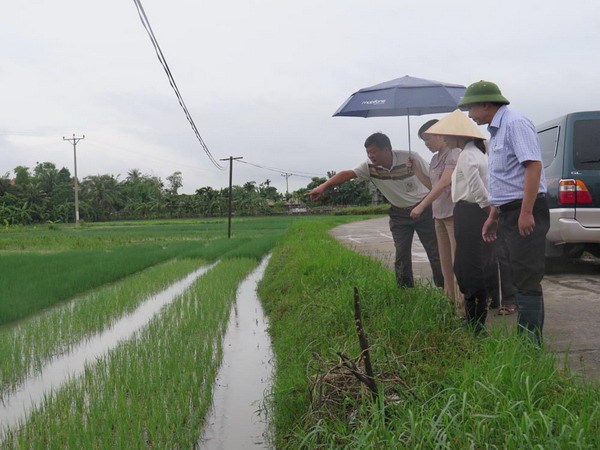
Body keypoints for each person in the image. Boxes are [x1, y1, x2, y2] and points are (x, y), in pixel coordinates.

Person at [459, 80, 550, 345]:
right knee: (519, 274)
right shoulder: (495, 132)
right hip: (508, 211)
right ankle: (527, 341)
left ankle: (529, 344)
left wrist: (526, 211)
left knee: (526, 276)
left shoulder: (514, 123)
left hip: (524, 208)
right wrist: (493, 216)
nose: (469, 114)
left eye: (471, 107)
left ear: (486, 104)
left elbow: (533, 167)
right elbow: (505, 179)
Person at [306, 132, 444, 289]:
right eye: (368, 152)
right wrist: (323, 187)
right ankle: (405, 291)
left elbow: (434, 180)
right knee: (401, 254)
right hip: (399, 214)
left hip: (424, 210)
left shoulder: (411, 156)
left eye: (374, 151)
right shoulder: (369, 166)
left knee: (435, 252)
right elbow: (347, 174)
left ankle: (444, 288)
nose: (371, 156)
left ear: (386, 149)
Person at [421, 109, 490, 332]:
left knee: (467, 267)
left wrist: (489, 210)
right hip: (468, 210)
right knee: (465, 265)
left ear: (458, 135)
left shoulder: (466, 155)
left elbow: (477, 186)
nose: (444, 137)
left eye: (446, 134)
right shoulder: (474, 153)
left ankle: (473, 321)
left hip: (470, 211)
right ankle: (471, 316)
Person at [407, 119, 462, 312]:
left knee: (457, 262)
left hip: (454, 214)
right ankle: (450, 302)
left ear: (440, 134)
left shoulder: (454, 154)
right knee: (445, 262)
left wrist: (421, 206)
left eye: (428, 139)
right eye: (423, 141)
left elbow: (444, 183)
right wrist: (415, 169)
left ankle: (462, 307)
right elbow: (432, 186)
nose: (427, 144)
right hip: (438, 216)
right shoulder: (433, 160)